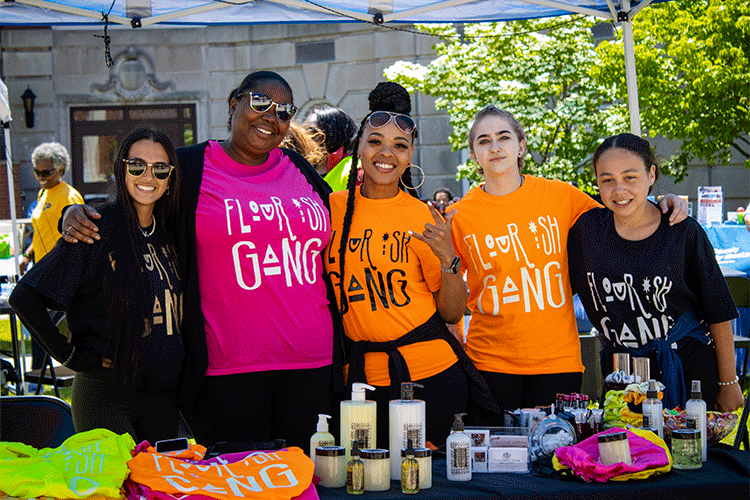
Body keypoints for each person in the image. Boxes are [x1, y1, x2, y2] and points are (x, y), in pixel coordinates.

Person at [61, 71, 345, 449]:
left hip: (313, 362)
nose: (270, 117)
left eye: (283, 111)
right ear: (234, 104)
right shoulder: (190, 167)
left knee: (308, 483)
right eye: (260, 103)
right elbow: (133, 202)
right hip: (228, 368)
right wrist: (77, 212)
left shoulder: (299, 170)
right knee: (239, 484)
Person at [450, 106, 688, 420]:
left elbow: (622, 212)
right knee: (498, 463)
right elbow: (448, 287)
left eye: (503, 137)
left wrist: (663, 201)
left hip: (557, 361)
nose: (494, 147)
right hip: (489, 361)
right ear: (473, 154)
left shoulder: (560, 195)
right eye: (483, 141)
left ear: (521, 145)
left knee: (555, 455)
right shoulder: (459, 215)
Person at [326, 82, 499, 447]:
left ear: (410, 155)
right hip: (359, 383)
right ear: (359, 145)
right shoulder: (332, 209)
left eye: (399, 146)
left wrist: (448, 258)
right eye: (375, 142)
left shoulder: (423, 217)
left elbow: (452, 313)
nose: (385, 153)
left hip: (430, 377)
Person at [10, 128, 184, 443]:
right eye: (137, 165)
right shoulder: (94, 228)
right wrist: (72, 357)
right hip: (107, 396)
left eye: (160, 168)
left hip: (165, 397)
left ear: (171, 177)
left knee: (163, 492)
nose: (148, 176)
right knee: (111, 492)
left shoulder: (173, 232)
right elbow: (25, 296)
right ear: (121, 169)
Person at [568, 133, 744, 412]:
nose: (619, 190)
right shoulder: (585, 232)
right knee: (628, 454)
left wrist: (729, 381)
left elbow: (718, 311)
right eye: (607, 180)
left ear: (651, 174)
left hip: (688, 371)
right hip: (623, 377)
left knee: (690, 454)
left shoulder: (682, 231)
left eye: (630, 177)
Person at [20, 142, 84, 372]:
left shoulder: (69, 197)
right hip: (42, 269)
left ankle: (40, 373)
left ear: (61, 170)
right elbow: (40, 231)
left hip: (60, 273)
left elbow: (78, 238)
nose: (40, 177)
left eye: (46, 172)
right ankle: (40, 372)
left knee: (40, 320)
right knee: (38, 320)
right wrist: (27, 255)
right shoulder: (44, 192)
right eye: (36, 172)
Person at [304, 104, 358, 191]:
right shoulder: (299, 168)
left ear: (333, 133)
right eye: (303, 130)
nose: (305, 136)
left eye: (312, 131)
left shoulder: (355, 169)